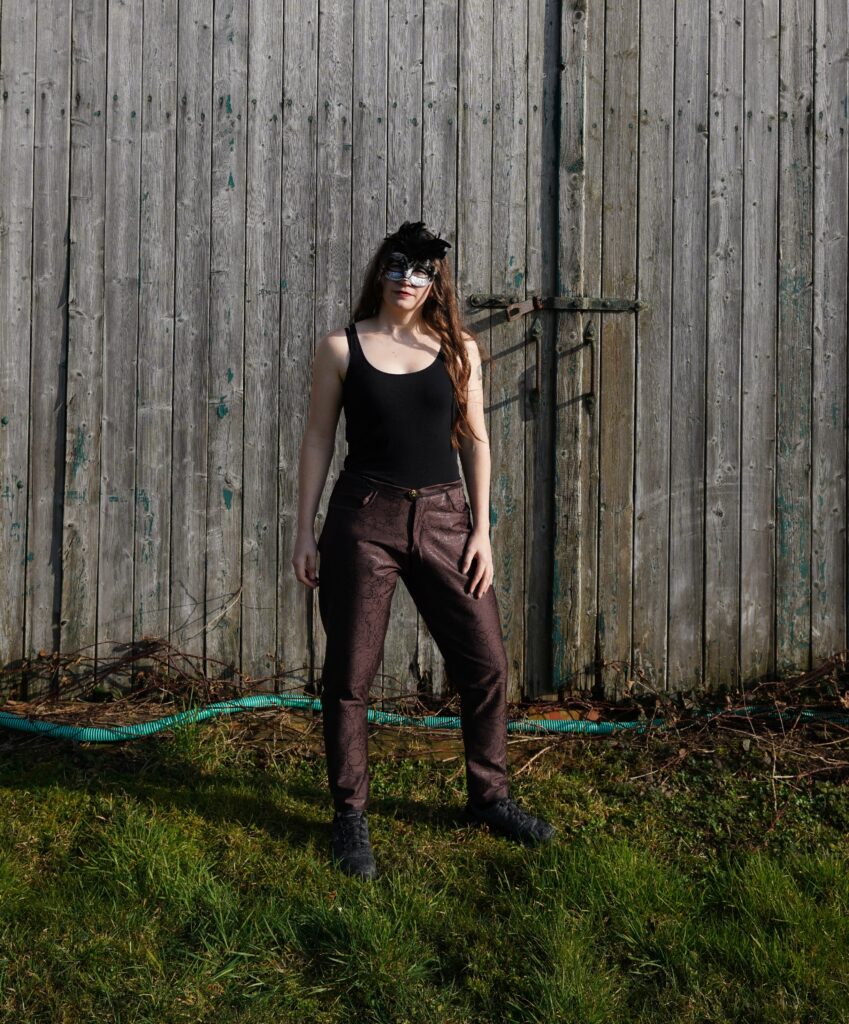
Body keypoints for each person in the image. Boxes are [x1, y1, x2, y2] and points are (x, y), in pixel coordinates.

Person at [292, 221, 555, 879]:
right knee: (349, 677)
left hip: (444, 519)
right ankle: (350, 816)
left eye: (420, 270)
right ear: (379, 271)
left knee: (486, 664)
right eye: (396, 265)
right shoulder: (341, 347)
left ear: (436, 281)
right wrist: (304, 530)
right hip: (363, 519)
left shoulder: (459, 349)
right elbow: (318, 439)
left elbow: (475, 440)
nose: (406, 280)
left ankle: (489, 798)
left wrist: (482, 531)